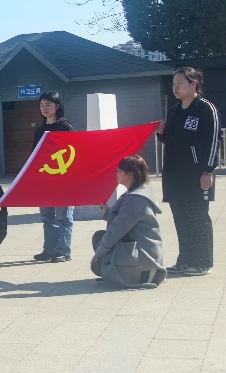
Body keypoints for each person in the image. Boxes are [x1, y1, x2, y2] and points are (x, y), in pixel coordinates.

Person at [157, 67, 219, 276]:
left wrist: (207, 171)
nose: (175, 88)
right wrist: (162, 134)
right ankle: (184, 261)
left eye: (180, 83)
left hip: (197, 176)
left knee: (197, 219)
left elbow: (213, 142)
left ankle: (201, 263)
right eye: (174, 84)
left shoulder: (206, 109)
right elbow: (171, 140)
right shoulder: (174, 111)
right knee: (181, 219)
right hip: (175, 176)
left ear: (194, 84)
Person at [91, 156, 166, 288]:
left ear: (130, 174)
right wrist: (108, 212)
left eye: (120, 170)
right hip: (145, 252)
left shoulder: (134, 200)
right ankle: (126, 272)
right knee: (99, 238)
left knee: (100, 254)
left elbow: (116, 230)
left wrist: (99, 253)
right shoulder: (138, 192)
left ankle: (141, 275)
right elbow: (124, 220)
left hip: (145, 258)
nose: (116, 173)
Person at [32, 92, 74, 263]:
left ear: (57, 106)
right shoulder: (40, 131)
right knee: (47, 217)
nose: (44, 108)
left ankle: (63, 251)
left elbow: (73, 152)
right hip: (45, 180)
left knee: (63, 217)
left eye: (48, 104)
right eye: (41, 105)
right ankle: (49, 250)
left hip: (63, 180)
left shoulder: (66, 127)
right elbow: (35, 157)